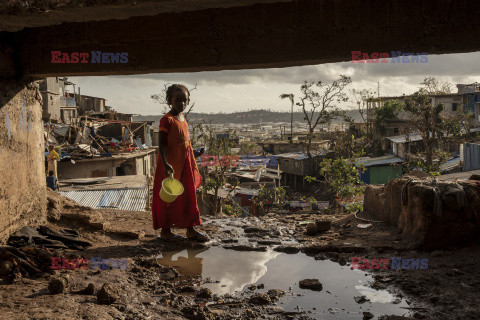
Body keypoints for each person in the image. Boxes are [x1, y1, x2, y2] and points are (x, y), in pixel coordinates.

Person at [151, 84, 209, 242]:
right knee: (168, 199)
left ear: (188, 101)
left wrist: (194, 154)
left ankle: (191, 229)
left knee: (189, 196)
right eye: (178, 100)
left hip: (185, 165)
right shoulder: (166, 120)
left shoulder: (183, 119)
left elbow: (184, 143)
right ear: (169, 100)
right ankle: (165, 231)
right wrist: (165, 163)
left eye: (185, 100)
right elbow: (161, 144)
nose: (181, 104)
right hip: (170, 166)